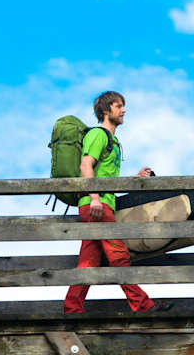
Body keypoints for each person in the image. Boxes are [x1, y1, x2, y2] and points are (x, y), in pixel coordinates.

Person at [63, 91, 158, 314]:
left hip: (101, 203)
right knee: (119, 256)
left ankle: (72, 308)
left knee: (88, 261)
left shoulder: (113, 141)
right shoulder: (98, 135)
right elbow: (85, 165)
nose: (123, 110)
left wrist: (135, 179)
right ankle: (142, 305)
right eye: (118, 106)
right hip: (97, 206)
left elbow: (107, 178)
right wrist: (95, 197)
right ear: (106, 111)